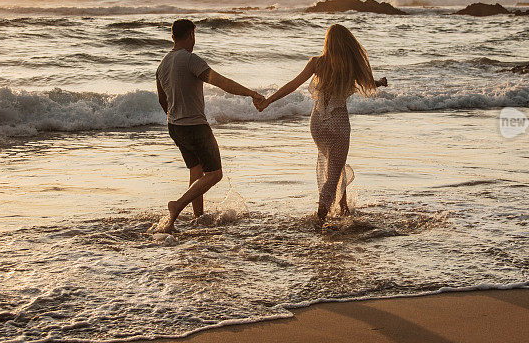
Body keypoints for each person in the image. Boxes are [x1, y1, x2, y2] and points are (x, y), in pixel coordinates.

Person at [255, 24, 387, 222]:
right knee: (333, 174)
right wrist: (379, 82)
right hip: (338, 122)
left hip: (317, 123)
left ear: (327, 42)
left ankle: (343, 208)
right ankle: (320, 218)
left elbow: (293, 84)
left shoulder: (316, 63)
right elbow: (366, 83)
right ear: (347, 43)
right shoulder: (349, 65)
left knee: (334, 164)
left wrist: (268, 101)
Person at [155, 18, 263, 233]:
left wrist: (175, 116)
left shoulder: (163, 64)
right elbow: (221, 82)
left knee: (196, 173)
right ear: (191, 35)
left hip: (175, 126)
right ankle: (177, 205)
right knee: (215, 174)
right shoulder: (189, 59)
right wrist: (251, 93)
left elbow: (161, 99)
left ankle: (198, 218)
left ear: (173, 36)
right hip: (195, 126)